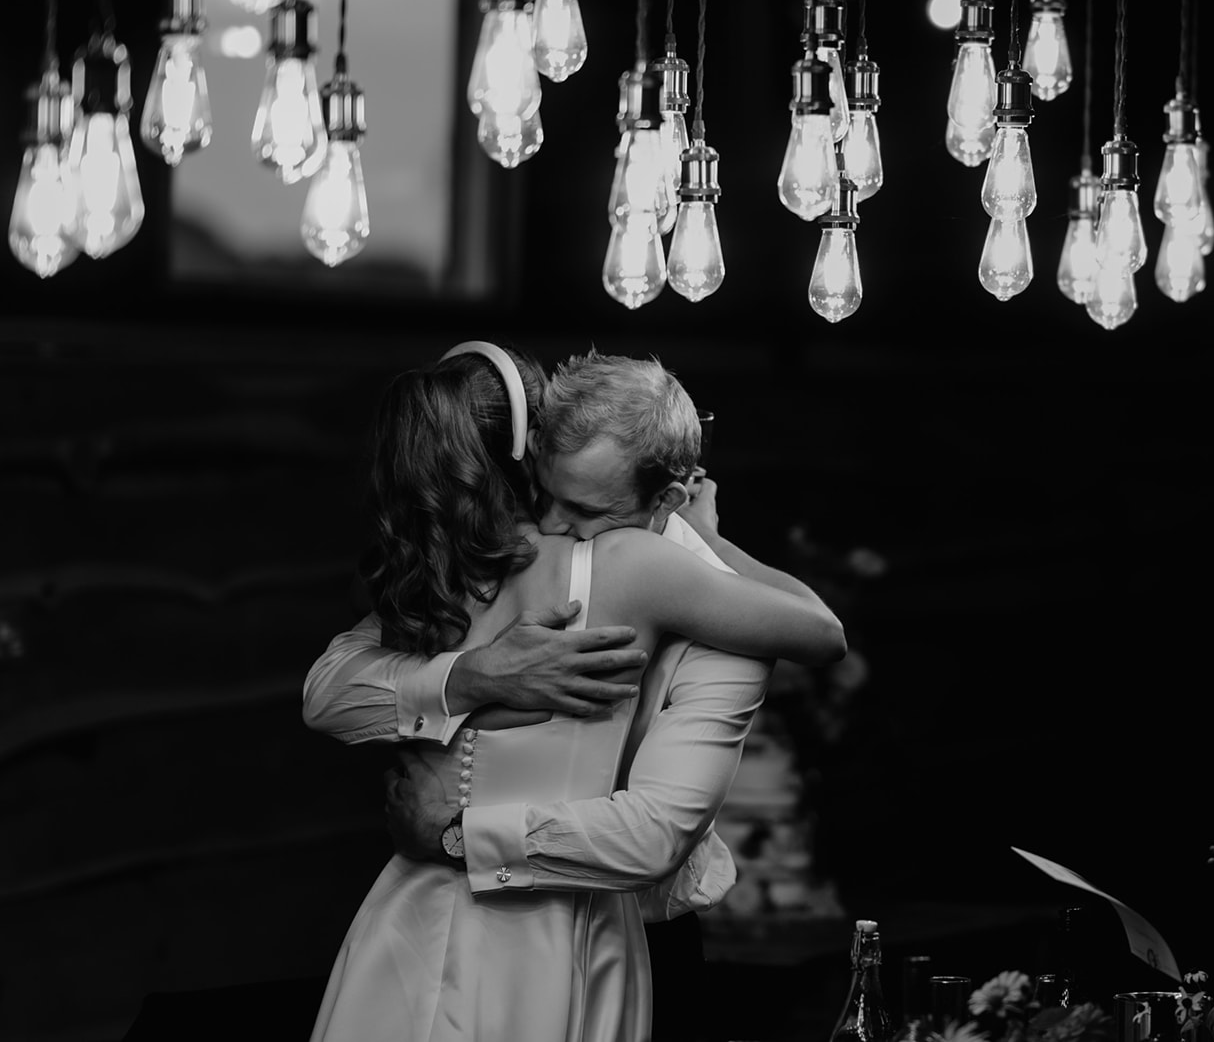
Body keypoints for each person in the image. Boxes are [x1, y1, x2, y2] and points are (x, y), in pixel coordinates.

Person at [305, 344, 845, 1042]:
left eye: (585, 507)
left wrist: (453, 819)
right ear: (530, 459)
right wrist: (477, 677)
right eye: (551, 495)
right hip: (556, 934)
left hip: (409, 915)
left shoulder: (442, 578)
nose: (559, 523)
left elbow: (326, 693)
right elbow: (822, 632)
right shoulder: (628, 562)